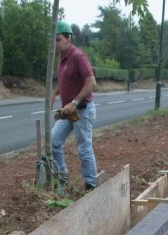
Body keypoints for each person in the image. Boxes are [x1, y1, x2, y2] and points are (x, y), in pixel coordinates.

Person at [51, 20, 98, 192]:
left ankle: (91, 185)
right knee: (53, 141)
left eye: (58, 39)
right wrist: (55, 93)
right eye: (53, 40)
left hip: (82, 110)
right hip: (67, 112)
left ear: (68, 39)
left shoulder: (78, 56)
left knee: (84, 148)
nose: (55, 43)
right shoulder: (61, 59)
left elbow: (91, 82)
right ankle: (62, 176)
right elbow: (66, 81)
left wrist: (74, 102)